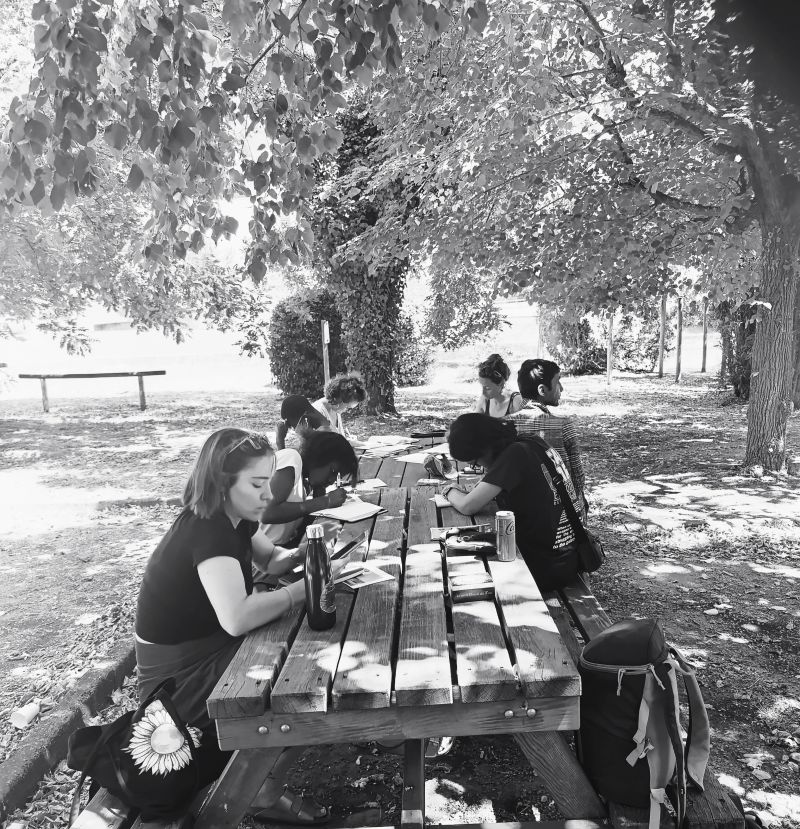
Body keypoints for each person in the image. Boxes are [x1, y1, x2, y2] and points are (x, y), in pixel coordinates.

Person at [134, 428, 329, 825]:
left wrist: (311, 552)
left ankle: (264, 785)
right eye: (257, 484)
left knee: (304, 659)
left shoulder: (234, 519)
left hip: (207, 653)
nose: (268, 495)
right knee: (300, 675)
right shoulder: (208, 530)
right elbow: (237, 618)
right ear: (223, 483)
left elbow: (271, 560)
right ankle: (260, 790)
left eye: (268, 482)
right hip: (176, 686)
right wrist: (303, 589)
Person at [443, 414, 582, 591]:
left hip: (542, 567)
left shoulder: (514, 455)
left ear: (485, 448)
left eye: (475, 463)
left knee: (458, 571)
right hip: (566, 556)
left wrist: (449, 490)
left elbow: (467, 506)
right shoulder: (530, 442)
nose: (480, 468)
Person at [508, 358, 588, 517]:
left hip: (519, 514)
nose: (562, 388)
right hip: (561, 516)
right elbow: (578, 478)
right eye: (558, 382)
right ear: (542, 390)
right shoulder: (563, 425)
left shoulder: (504, 426)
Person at [259, 430, 359, 549]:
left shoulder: (302, 482)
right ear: (320, 457)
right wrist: (326, 501)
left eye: (337, 477)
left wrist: (318, 494)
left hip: (276, 548)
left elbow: (293, 517)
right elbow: (267, 513)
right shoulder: (291, 458)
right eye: (333, 471)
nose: (331, 481)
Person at [472, 354, 525, 418]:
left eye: (488, 388)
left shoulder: (516, 401)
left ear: (501, 383)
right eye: (482, 386)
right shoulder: (485, 399)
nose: (483, 392)